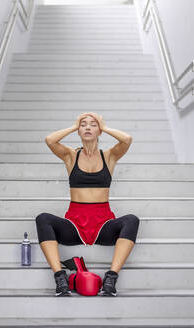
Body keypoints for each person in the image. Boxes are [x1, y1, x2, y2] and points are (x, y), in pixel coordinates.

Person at [35, 112, 140, 297]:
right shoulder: (70, 156)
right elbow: (49, 140)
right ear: (78, 130)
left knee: (132, 220)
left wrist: (104, 126)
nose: (88, 127)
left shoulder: (109, 156)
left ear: (99, 130)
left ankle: (111, 278)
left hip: (103, 225)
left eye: (93, 124)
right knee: (43, 218)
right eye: (84, 125)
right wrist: (74, 125)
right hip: (74, 225)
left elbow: (127, 139)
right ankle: (60, 278)